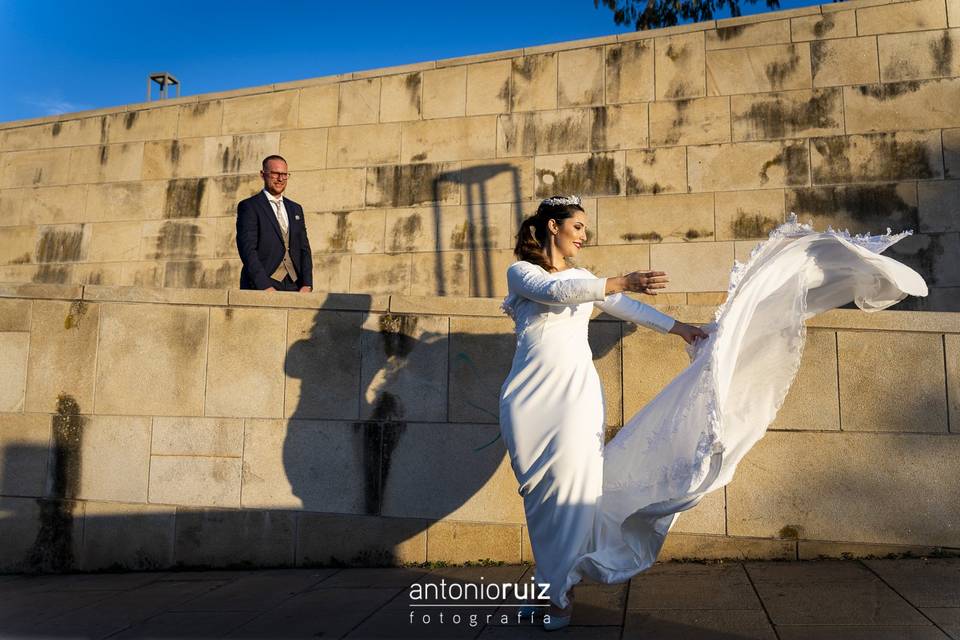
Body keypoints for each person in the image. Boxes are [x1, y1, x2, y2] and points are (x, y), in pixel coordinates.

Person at [498, 195, 926, 631]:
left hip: (575, 397)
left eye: (585, 229)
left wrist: (680, 328)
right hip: (528, 400)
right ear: (553, 227)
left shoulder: (587, 279)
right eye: (578, 227)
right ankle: (552, 582)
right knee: (539, 494)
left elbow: (626, 307)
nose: (584, 236)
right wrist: (620, 280)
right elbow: (553, 291)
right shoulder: (523, 272)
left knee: (572, 490)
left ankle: (559, 596)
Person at [236, 155, 313, 292]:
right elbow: (247, 249)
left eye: (284, 174)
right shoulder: (249, 206)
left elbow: (304, 248)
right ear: (263, 174)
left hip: (295, 286)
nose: (280, 178)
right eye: (275, 173)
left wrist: (307, 284)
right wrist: (264, 286)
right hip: (263, 285)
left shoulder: (295, 208)